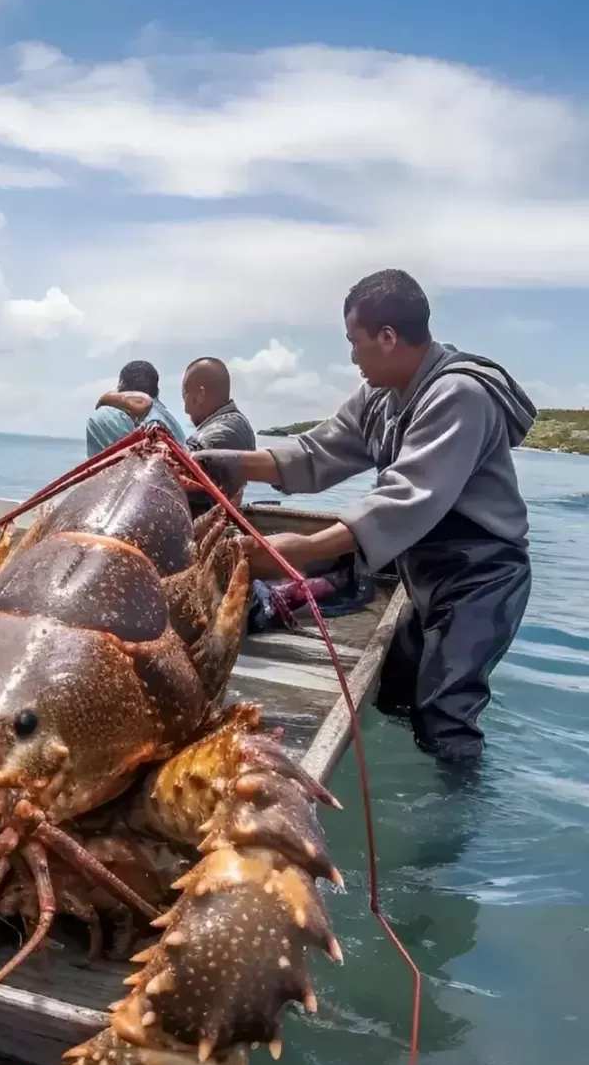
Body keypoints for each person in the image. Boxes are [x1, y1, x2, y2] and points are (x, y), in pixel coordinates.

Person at [194, 268, 534, 766]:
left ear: (388, 338)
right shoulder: (380, 396)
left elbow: (403, 501)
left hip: (481, 579)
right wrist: (222, 464)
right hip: (423, 576)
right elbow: (316, 453)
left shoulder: (459, 396)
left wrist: (298, 548)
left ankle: (454, 827)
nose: (352, 356)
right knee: (396, 696)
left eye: (355, 342)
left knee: (445, 716)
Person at [180, 356, 257, 509]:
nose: (186, 409)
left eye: (186, 396)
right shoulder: (238, 423)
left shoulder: (216, 435)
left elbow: (181, 466)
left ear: (200, 395)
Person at [86, 360, 187, 457]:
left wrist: (104, 400)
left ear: (122, 385)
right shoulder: (174, 426)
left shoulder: (104, 416)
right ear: (157, 391)